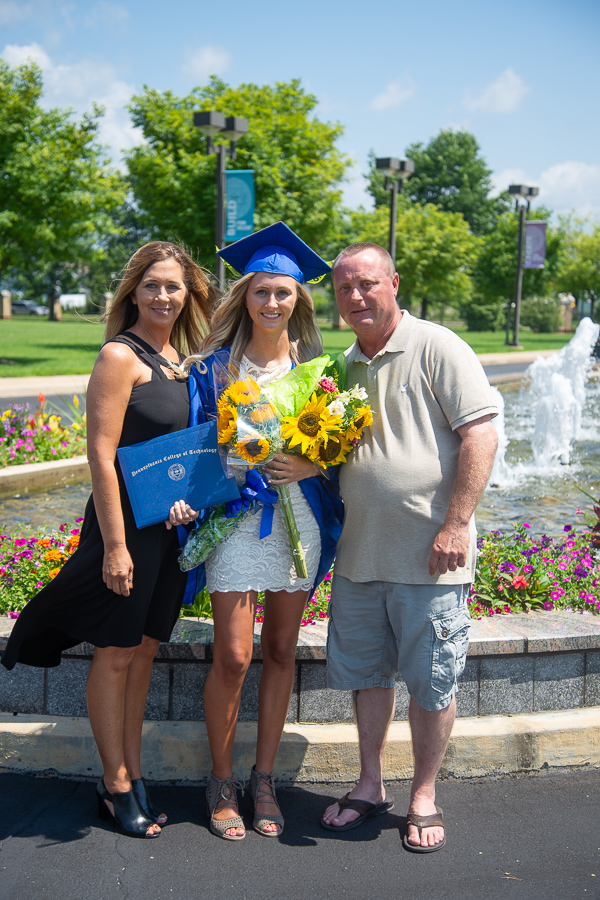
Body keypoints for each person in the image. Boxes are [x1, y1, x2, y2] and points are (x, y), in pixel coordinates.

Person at [2, 242, 216, 838]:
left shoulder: (184, 360)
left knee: (143, 650)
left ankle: (132, 772)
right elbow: (100, 456)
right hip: (127, 529)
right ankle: (116, 785)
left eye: (174, 286)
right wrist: (117, 547)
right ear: (132, 293)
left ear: (189, 294)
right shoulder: (121, 357)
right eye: (152, 286)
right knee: (116, 652)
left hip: (169, 530)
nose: (163, 296)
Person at [320, 242, 498, 853]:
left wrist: (457, 522)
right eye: (345, 288)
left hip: (432, 557)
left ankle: (423, 794)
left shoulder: (437, 345)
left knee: (432, 680)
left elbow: (481, 432)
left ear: (394, 282)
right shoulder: (342, 365)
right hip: (360, 557)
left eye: (367, 284)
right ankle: (370, 784)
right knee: (368, 677)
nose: (356, 297)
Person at [183, 222, 344, 841]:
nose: (272, 303)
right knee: (234, 653)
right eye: (261, 292)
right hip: (234, 522)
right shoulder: (213, 370)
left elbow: (338, 451)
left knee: (280, 651)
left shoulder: (321, 375)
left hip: (298, 520)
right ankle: (220, 781)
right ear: (245, 297)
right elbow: (195, 447)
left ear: (299, 300)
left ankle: (264, 779)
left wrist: (311, 460)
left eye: (284, 293)